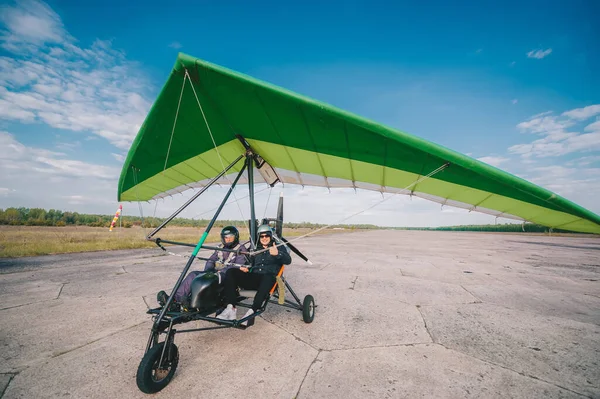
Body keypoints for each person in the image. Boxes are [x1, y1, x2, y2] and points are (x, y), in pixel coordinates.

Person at [157, 226, 249, 309]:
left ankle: (190, 302)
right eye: (226, 237)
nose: (228, 240)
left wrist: (219, 272)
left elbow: (236, 267)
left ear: (235, 237)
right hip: (213, 273)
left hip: (227, 276)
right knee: (193, 275)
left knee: (213, 278)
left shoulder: (241, 249)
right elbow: (211, 260)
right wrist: (208, 271)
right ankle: (175, 300)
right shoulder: (220, 247)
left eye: (230, 237)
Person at [217, 224, 292, 326]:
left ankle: (252, 311)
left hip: (268, 280)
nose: (264, 238)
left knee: (268, 276)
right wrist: (244, 268)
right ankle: (231, 308)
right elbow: (249, 263)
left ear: (270, 236)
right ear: (259, 237)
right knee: (231, 272)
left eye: (266, 236)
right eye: (262, 236)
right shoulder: (255, 249)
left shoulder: (278, 247)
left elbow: (288, 260)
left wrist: (277, 254)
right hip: (255, 278)